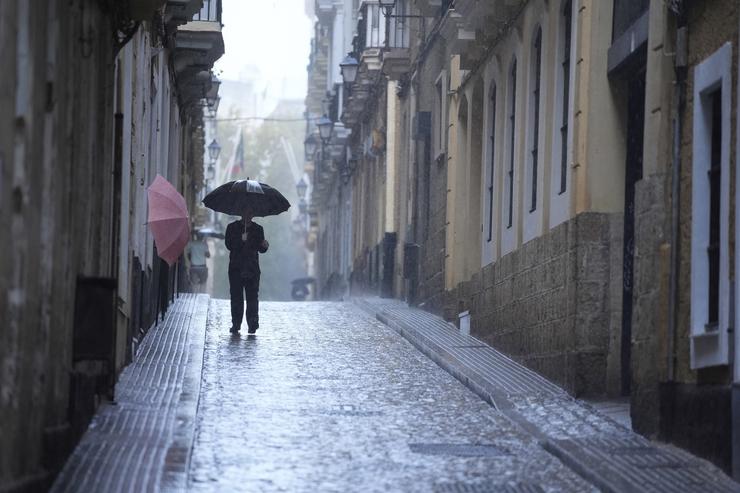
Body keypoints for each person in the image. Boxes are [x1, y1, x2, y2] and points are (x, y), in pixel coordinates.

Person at [225, 207, 269, 334]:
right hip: (236, 268)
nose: (248, 215)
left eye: (250, 212)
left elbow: (260, 248)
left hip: (252, 268)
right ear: (241, 213)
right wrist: (241, 240)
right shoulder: (232, 228)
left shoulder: (258, 229)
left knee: (252, 297)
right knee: (236, 297)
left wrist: (264, 246)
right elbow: (228, 245)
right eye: (246, 212)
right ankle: (236, 324)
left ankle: (253, 323)